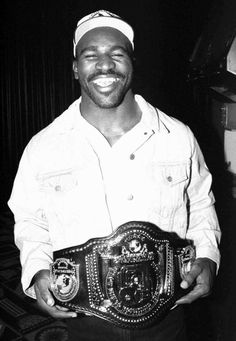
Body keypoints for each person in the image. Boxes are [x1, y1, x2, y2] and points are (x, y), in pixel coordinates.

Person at [8, 9, 221, 341]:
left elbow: (201, 204)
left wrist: (208, 258)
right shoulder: (44, 146)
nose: (104, 64)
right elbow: (30, 220)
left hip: (168, 313)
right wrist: (37, 271)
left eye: (116, 54)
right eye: (90, 55)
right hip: (84, 318)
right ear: (76, 68)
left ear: (132, 63)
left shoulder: (178, 136)